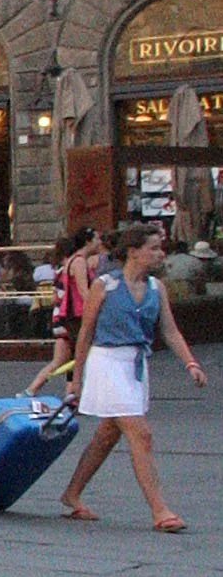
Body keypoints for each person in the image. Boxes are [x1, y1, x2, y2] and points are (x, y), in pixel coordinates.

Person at [60, 219, 206, 528]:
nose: (160, 254)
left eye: (160, 248)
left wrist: (190, 363)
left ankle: (72, 494)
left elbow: (170, 331)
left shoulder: (156, 288)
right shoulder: (105, 285)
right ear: (133, 252)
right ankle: (160, 510)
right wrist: (76, 379)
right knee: (141, 434)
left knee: (107, 435)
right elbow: (85, 333)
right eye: (153, 249)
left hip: (135, 366)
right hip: (107, 362)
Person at [31, 225, 106, 395]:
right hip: (77, 313)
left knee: (71, 357)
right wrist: (97, 308)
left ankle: (70, 392)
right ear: (88, 241)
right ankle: (74, 392)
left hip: (70, 313)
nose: (99, 242)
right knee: (82, 354)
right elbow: (83, 291)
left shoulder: (75, 260)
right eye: (96, 238)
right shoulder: (79, 262)